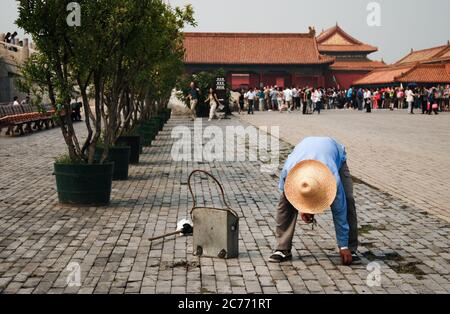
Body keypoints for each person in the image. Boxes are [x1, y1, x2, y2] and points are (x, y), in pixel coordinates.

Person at [269, 137, 358, 265]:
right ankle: (282, 248)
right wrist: (304, 207)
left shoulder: (333, 177)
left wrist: (343, 245)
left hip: (334, 155)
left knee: (348, 200)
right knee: (285, 204)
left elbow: (340, 210)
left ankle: (350, 247)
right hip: (303, 151)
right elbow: (288, 193)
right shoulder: (289, 170)